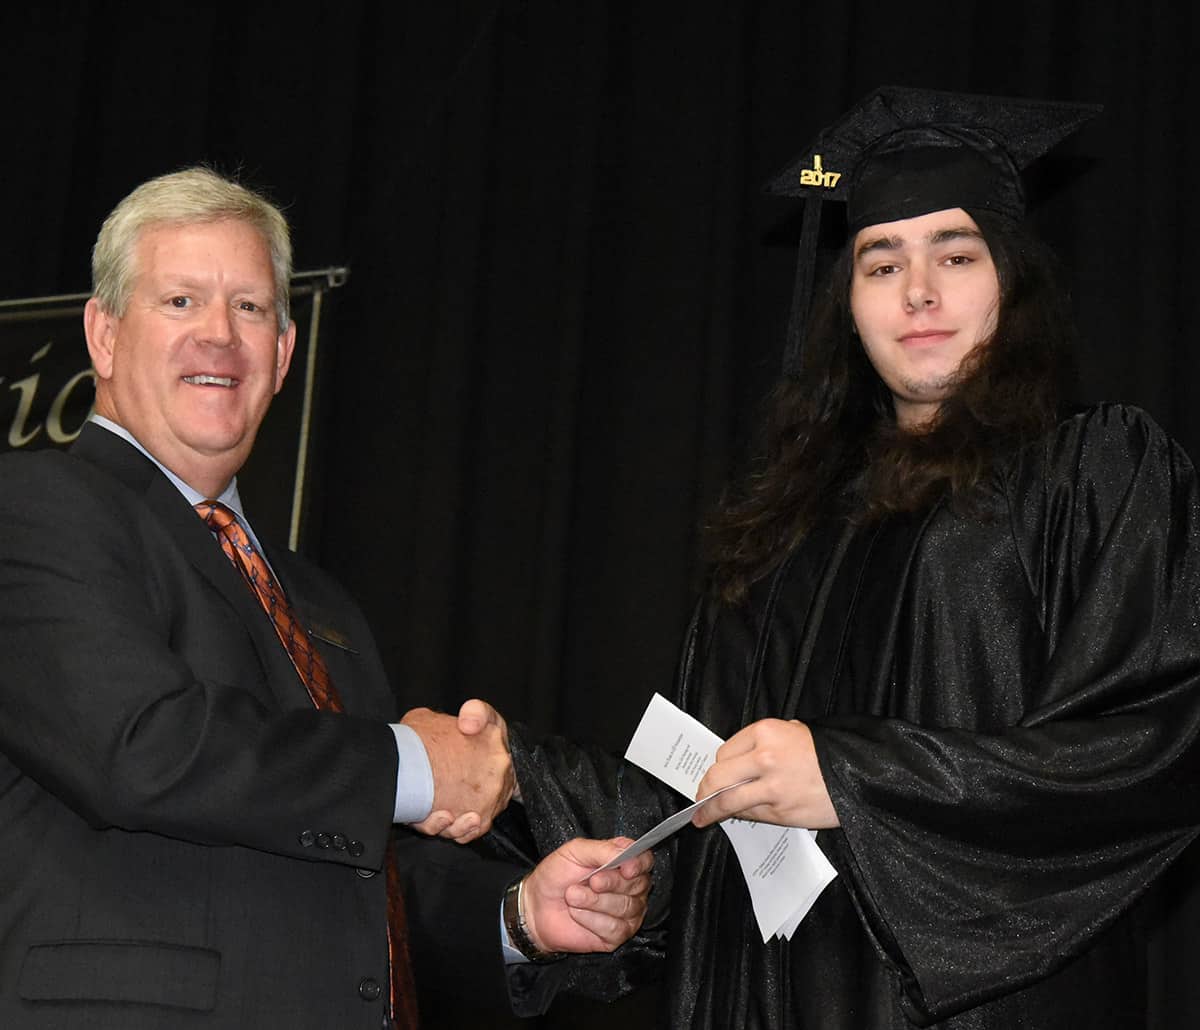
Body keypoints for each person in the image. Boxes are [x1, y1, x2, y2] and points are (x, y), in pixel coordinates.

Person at [492, 87, 1200, 1027]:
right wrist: (510, 780)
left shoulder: (1096, 470)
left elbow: (1149, 746)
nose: (918, 292)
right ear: (849, 303)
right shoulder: (782, 525)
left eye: (955, 254)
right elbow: (687, 782)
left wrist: (852, 777)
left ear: (1013, 280)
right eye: (880, 262)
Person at [0, 166, 651, 1029]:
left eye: (249, 308)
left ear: (283, 355)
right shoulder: (36, 508)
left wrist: (522, 915)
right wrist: (419, 766)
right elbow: (140, 747)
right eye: (181, 301)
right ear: (105, 334)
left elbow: (357, 872)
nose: (219, 339)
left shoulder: (318, 602)